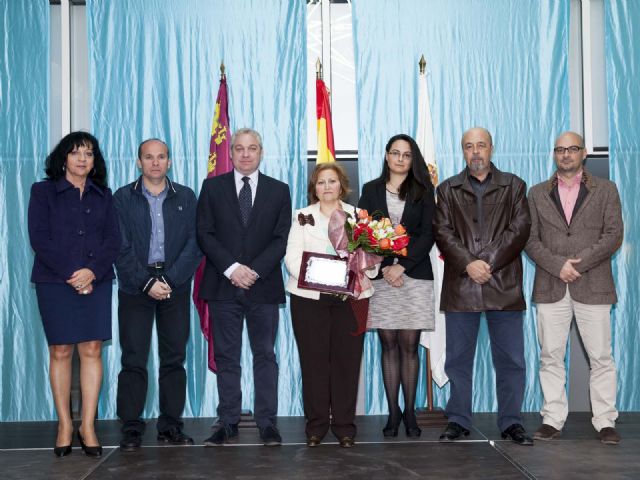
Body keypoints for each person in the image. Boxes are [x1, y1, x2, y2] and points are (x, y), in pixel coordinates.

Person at [433, 127, 533, 445]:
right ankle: (458, 420)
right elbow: (442, 231)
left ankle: (511, 422)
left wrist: (486, 262)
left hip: (503, 285)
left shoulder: (514, 185)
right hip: (461, 287)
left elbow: (520, 229)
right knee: (458, 361)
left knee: (511, 361)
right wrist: (469, 264)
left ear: (491, 148)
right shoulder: (447, 189)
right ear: (463, 151)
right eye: (469, 146)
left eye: (481, 145)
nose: (475, 151)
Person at [525, 131, 623, 445]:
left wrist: (577, 265)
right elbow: (530, 239)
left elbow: (613, 235)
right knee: (550, 357)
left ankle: (605, 421)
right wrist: (558, 266)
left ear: (583, 153)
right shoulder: (536, 193)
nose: (565, 154)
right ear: (554, 154)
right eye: (560, 149)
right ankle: (552, 420)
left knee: (601, 357)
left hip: (593, 284)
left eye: (572, 148)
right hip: (551, 284)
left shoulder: (606, 189)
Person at [196, 128, 291, 446]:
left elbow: (281, 238)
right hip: (222, 286)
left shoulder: (279, 190)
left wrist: (255, 271)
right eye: (239, 148)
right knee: (227, 357)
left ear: (261, 152)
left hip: (263, 287)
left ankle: (267, 423)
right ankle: (228, 422)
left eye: (252, 148)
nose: (246, 154)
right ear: (231, 152)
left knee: (265, 355)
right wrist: (232, 269)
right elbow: (204, 233)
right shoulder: (212, 187)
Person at [28, 131, 120, 457]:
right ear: (63, 158)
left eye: (89, 153)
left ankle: (88, 426)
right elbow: (39, 238)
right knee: (61, 350)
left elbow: (113, 240)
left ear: (95, 161)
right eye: (76, 152)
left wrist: (91, 272)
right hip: (55, 282)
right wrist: (73, 274)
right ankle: (65, 424)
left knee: (92, 349)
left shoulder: (104, 195)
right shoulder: (43, 192)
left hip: (97, 280)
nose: (82, 159)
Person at [113, 138, 202, 451]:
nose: (155, 162)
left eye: (161, 157)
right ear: (139, 162)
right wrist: (145, 282)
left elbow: (195, 243)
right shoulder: (123, 197)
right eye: (149, 157)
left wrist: (170, 279)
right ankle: (131, 427)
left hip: (174, 285)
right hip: (134, 286)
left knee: (174, 358)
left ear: (169, 161)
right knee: (134, 357)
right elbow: (119, 246)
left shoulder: (186, 197)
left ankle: (170, 426)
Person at [285, 162, 368, 448]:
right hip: (310, 299)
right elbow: (292, 258)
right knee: (314, 363)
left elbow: (369, 262)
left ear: (341, 185)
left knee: (347, 363)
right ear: (314, 188)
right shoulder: (301, 216)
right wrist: (323, 278)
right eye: (321, 182)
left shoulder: (358, 217)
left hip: (351, 299)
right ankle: (316, 426)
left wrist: (362, 267)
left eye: (332, 181)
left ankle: (344, 427)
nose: (327, 186)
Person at [357, 134, 435, 438]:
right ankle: (393, 413)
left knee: (410, 346)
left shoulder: (424, 190)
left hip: (414, 276)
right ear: (387, 156)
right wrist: (385, 268)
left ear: (413, 160)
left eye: (406, 154)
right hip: (380, 277)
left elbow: (428, 234)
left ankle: (410, 412)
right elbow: (362, 233)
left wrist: (402, 266)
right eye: (395, 153)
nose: (400, 159)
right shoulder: (370, 190)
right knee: (388, 344)